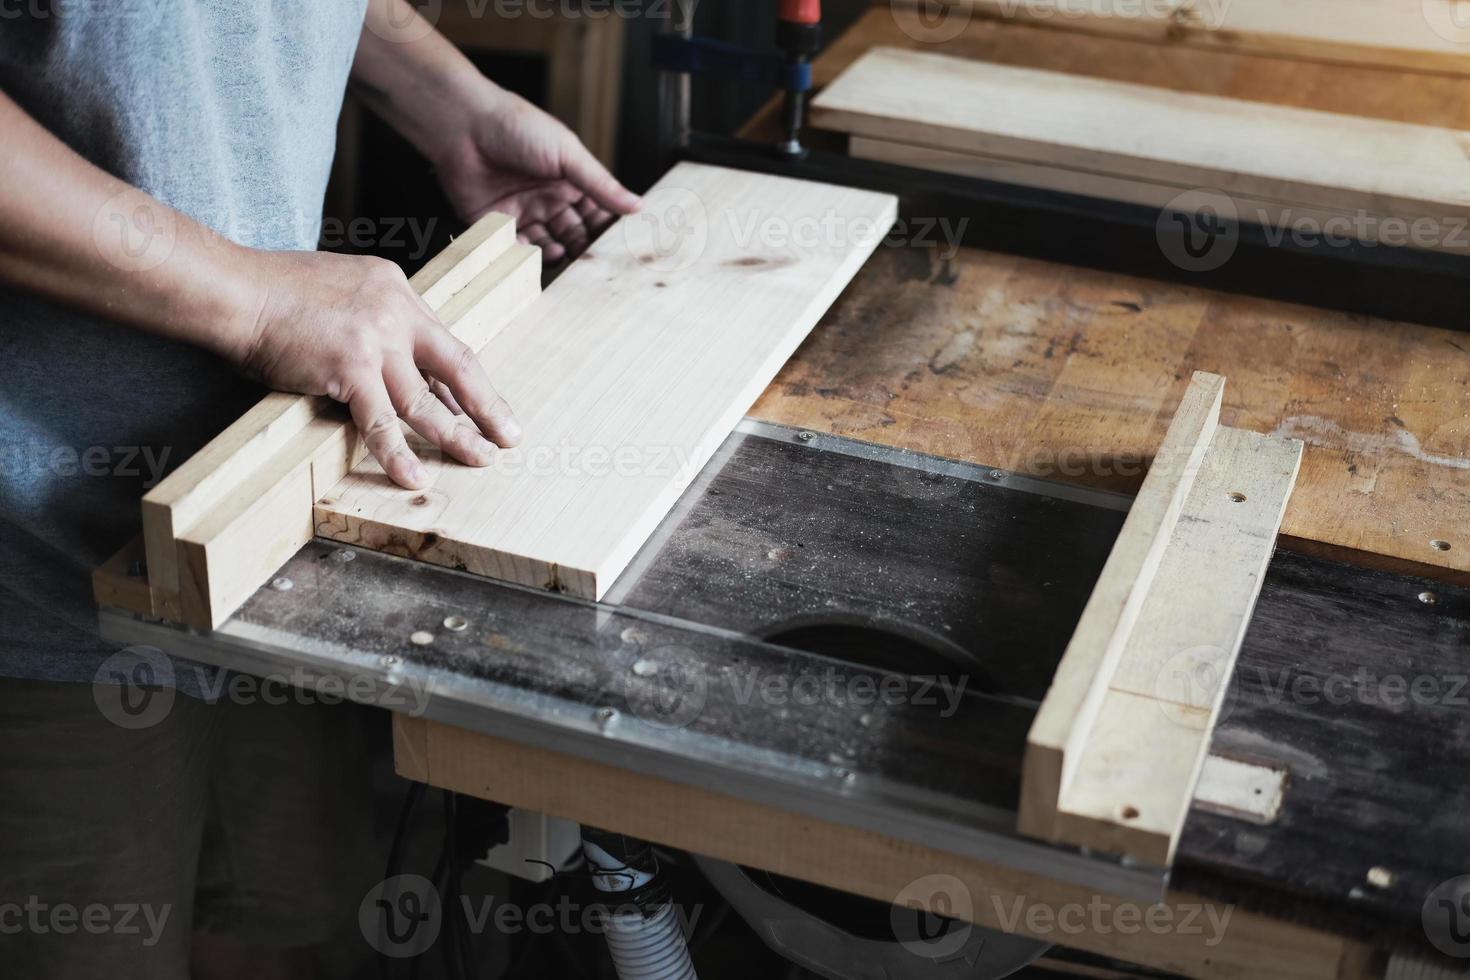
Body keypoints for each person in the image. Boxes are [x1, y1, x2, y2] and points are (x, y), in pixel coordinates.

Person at [0, 2, 639, 977]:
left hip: (281, 483)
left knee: (281, 920)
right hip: (41, 547)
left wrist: (448, 103)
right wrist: (254, 296)